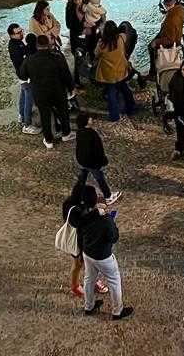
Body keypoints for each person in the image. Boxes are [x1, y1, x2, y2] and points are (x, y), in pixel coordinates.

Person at [73, 185, 133, 320]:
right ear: (95, 200)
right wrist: (110, 220)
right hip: (103, 257)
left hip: (87, 254)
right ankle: (117, 311)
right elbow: (114, 237)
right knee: (114, 281)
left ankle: (89, 306)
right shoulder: (105, 220)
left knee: (89, 279)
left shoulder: (81, 215)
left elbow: (80, 234)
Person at [26, 34, 76, 148]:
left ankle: (48, 141)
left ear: (37, 45)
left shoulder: (30, 60)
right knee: (63, 113)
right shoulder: (57, 57)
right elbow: (66, 75)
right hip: (57, 91)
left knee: (45, 116)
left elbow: (22, 74)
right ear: (48, 45)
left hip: (40, 93)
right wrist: (72, 87)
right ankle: (66, 134)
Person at [74, 110, 121, 205]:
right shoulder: (92, 134)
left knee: (82, 178)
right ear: (86, 121)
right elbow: (98, 151)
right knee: (100, 179)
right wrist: (103, 161)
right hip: (92, 163)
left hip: (82, 160)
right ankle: (108, 197)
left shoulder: (79, 132)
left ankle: (77, 196)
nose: (91, 119)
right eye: (89, 118)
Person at [94, 21, 137, 122]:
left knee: (111, 93)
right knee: (125, 88)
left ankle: (114, 116)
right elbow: (125, 36)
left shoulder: (102, 44)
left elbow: (96, 54)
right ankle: (131, 108)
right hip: (121, 70)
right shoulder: (121, 38)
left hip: (109, 74)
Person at [8, 22, 39, 136]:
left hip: (22, 76)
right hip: (25, 76)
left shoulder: (18, 42)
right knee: (29, 100)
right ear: (12, 35)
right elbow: (22, 62)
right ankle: (27, 125)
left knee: (23, 95)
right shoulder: (14, 46)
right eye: (18, 32)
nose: (22, 33)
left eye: (21, 30)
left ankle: (21, 116)